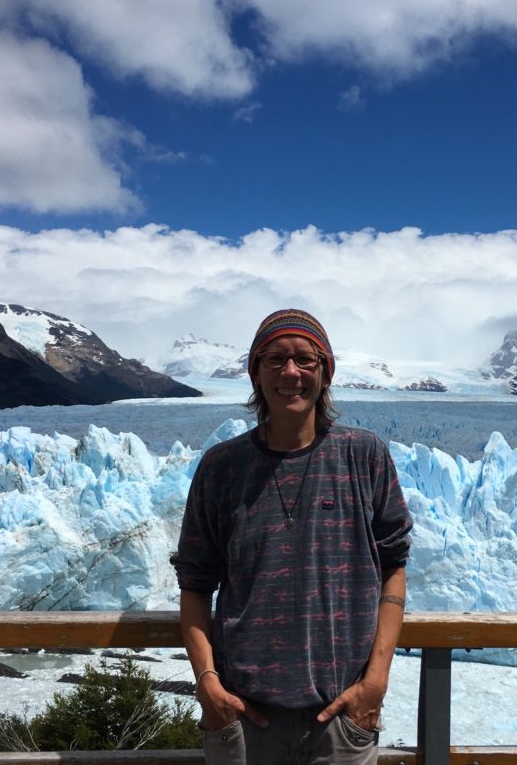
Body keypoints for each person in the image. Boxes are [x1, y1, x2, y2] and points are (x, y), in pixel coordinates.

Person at [171, 308, 413, 764]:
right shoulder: (222, 468)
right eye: (275, 359)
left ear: (325, 373)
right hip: (243, 717)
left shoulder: (364, 456)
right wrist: (207, 684)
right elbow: (195, 582)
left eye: (306, 360)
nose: (291, 373)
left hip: (342, 716)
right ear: (256, 374)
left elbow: (393, 566)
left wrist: (376, 681)